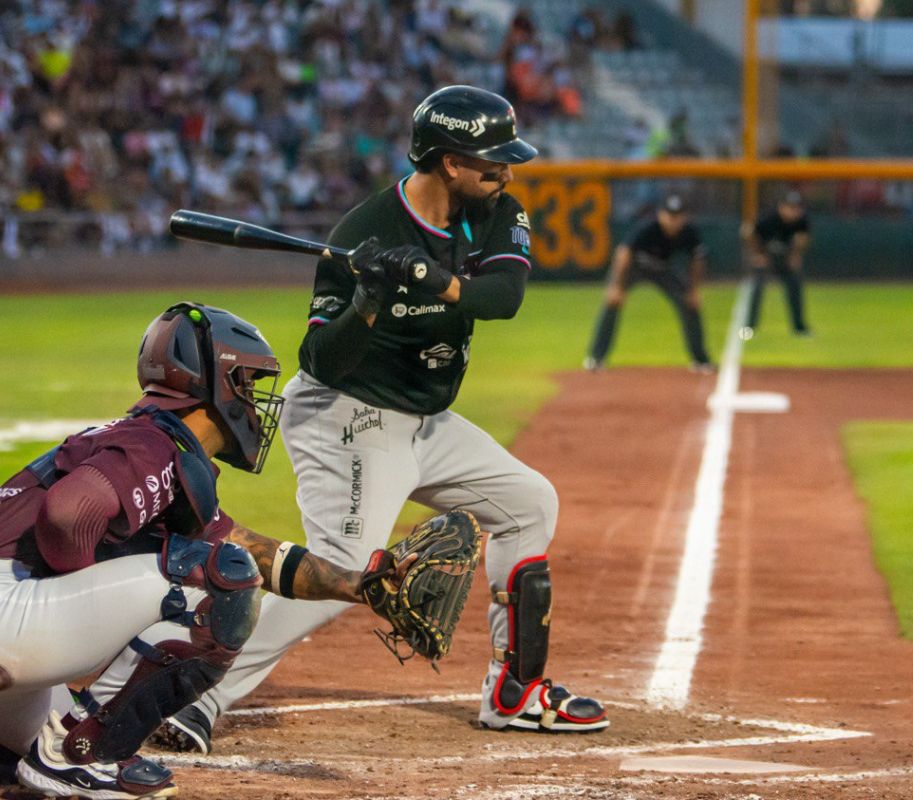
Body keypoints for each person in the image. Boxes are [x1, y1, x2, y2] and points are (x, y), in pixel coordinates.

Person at [154, 85, 608, 754]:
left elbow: (502, 298)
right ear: (449, 163)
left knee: (527, 503)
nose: (506, 174)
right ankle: (197, 692)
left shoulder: (497, 213)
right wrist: (366, 298)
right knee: (343, 572)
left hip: (425, 419)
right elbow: (322, 360)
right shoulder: (361, 234)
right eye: (491, 161)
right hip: (348, 416)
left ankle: (517, 693)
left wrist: (431, 280)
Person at [0, 302, 417, 799]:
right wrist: (81, 594)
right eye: (251, 383)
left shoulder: (147, 443)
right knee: (221, 581)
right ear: (222, 384)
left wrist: (361, 585)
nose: (256, 402)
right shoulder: (155, 445)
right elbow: (68, 515)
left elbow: (257, 552)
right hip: (13, 616)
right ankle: (81, 756)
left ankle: (35, 752)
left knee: (24, 751)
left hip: (17, 620)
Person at [585, 193, 714, 372]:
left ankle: (701, 359)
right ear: (660, 214)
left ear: (684, 217)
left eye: (678, 216)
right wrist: (617, 286)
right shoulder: (647, 228)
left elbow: (698, 260)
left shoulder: (688, 232)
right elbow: (624, 255)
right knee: (612, 302)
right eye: (669, 215)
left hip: (663, 269)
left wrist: (693, 290)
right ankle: (596, 358)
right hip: (634, 267)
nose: (673, 221)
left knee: (690, 303)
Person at [741, 189, 812, 340]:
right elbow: (748, 233)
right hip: (765, 255)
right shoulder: (768, 219)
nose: (794, 211)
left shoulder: (802, 220)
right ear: (782, 206)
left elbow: (803, 239)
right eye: (790, 207)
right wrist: (758, 255)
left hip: (785, 257)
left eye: (796, 208)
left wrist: (795, 256)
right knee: (757, 288)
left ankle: (799, 327)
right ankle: (749, 327)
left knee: (795, 286)